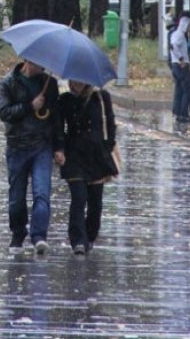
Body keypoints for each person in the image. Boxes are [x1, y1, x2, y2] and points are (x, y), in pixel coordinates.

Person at [0, 60, 65, 255]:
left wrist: (59, 147)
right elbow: (4, 113)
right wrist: (30, 106)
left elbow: (56, 117)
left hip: (41, 146)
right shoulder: (8, 83)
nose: (42, 66)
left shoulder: (49, 84)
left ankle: (39, 236)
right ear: (27, 61)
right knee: (16, 197)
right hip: (17, 147)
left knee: (42, 193)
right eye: (38, 63)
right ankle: (18, 235)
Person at [56, 80, 116, 256]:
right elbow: (59, 127)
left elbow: (110, 123)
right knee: (78, 197)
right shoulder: (65, 100)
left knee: (95, 202)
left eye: (80, 80)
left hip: (97, 155)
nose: (76, 84)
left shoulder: (101, 97)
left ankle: (90, 237)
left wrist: (108, 145)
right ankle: (77, 241)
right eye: (73, 80)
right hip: (74, 154)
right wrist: (59, 148)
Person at [170, 13, 190, 123]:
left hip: (176, 66)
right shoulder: (179, 35)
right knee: (186, 90)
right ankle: (184, 114)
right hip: (180, 66)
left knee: (180, 90)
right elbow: (174, 46)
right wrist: (181, 59)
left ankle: (179, 113)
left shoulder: (177, 34)